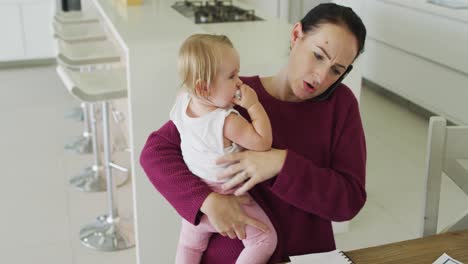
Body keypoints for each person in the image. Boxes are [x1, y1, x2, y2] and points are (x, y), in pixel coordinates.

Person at [141, 3, 367, 264]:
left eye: (336, 71)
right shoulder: (234, 95)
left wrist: (281, 163)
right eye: (318, 55)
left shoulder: (340, 105)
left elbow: (349, 200)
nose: (321, 76)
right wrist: (206, 201)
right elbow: (155, 151)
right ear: (296, 36)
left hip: (304, 256)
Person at [169, 33, 277, 264]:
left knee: (188, 245)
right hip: (228, 195)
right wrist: (254, 105)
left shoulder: (181, 102)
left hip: (198, 197)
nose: (240, 82)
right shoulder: (227, 122)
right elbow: (262, 142)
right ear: (204, 88)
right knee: (265, 239)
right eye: (232, 76)